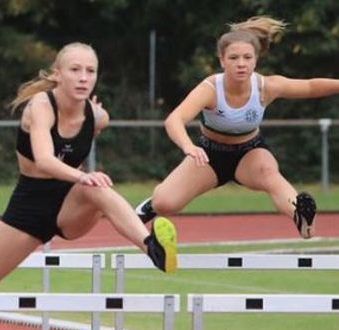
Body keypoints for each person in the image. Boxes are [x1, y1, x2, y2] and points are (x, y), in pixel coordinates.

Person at [0, 42, 177, 294]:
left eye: (90, 71)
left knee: (98, 188)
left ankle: (152, 247)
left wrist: (85, 178)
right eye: (75, 70)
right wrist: (82, 175)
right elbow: (45, 160)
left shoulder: (98, 116)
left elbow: (93, 128)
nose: (83, 78)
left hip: (69, 207)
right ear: (57, 74)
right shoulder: (40, 106)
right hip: (29, 205)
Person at [136, 16, 339, 239]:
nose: (241, 63)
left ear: (256, 60)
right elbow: (174, 119)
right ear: (222, 60)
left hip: (250, 153)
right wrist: (188, 146)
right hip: (209, 155)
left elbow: (310, 87)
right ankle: (152, 206)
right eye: (233, 57)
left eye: (247, 57)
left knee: (268, 172)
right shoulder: (211, 88)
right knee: (165, 202)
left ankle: (300, 216)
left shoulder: (266, 87)